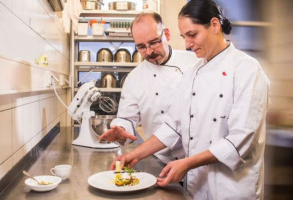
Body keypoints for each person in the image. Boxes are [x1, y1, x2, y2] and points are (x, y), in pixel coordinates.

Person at [109, 0, 271, 199]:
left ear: (214, 25)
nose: (187, 44)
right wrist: (134, 155)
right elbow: (173, 127)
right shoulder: (193, 73)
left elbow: (240, 140)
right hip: (197, 184)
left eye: (192, 35)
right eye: (184, 37)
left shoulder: (247, 70)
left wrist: (187, 163)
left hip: (233, 186)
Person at [99, 12, 198, 164]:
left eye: (154, 42)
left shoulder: (195, 62)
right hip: (159, 159)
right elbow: (127, 119)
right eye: (141, 47)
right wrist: (121, 129)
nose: (149, 52)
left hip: (196, 159)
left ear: (166, 34)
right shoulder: (134, 78)